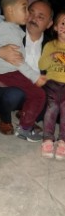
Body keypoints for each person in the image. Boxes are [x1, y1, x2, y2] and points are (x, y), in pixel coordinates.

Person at [0, 0, 53, 135]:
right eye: (31, 12)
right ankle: (5, 118)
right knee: (14, 95)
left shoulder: (52, 46)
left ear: (49, 24)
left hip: (32, 87)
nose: (33, 18)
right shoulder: (12, 30)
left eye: (40, 17)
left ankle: (24, 114)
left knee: (49, 102)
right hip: (6, 85)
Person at [38, 10, 65, 158]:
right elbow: (41, 64)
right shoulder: (50, 45)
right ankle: (48, 138)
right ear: (55, 27)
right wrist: (52, 56)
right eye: (63, 23)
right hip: (52, 83)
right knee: (52, 106)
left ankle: (63, 141)